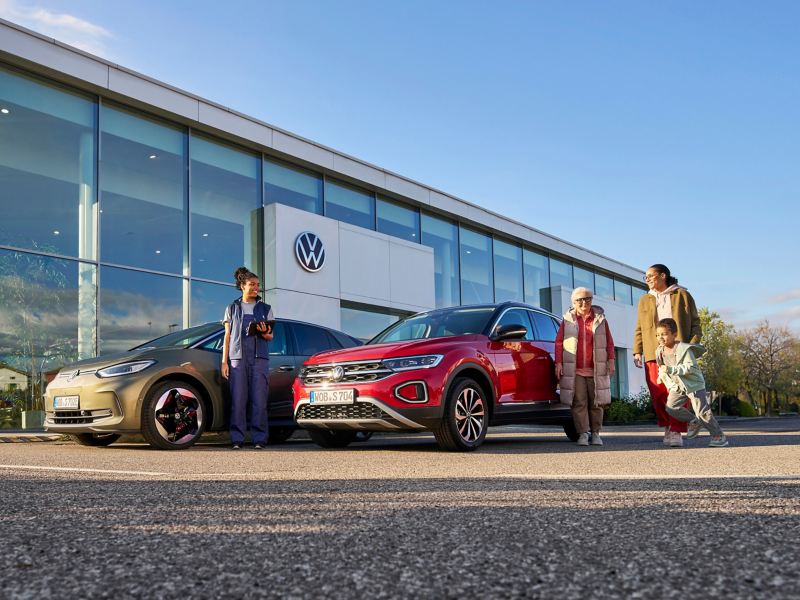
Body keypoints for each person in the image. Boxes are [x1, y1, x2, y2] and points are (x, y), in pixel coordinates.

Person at [633, 263, 701, 447]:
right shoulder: (645, 300)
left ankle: (676, 430)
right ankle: (668, 425)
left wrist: (692, 347)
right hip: (652, 351)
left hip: (678, 351)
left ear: (663, 276)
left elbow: (695, 322)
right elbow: (640, 326)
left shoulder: (682, 295)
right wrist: (637, 351)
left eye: (650, 276)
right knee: (658, 393)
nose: (647, 280)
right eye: (645, 277)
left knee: (678, 391)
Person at [555, 287, 616, 447]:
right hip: (575, 370)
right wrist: (559, 363)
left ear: (592, 300)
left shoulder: (601, 320)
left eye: (587, 299)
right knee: (579, 402)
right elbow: (559, 342)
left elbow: (609, 342)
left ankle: (596, 434)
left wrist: (611, 360)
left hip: (596, 369)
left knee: (596, 402)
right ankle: (583, 434)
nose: (584, 302)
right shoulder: (567, 320)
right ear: (573, 302)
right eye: (580, 300)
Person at [221, 267, 274, 449]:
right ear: (242, 286)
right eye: (252, 284)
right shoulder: (232, 308)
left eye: (258, 285)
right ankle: (237, 439)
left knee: (259, 401)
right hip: (237, 358)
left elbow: (270, 336)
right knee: (238, 400)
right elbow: (227, 336)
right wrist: (224, 362)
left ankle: (259, 439)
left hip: (259, 359)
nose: (256, 288)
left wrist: (263, 331)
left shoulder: (265, 309)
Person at [655, 318, 728, 447]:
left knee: (702, 412)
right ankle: (694, 421)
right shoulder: (659, 351)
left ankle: (719, 436)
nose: (661, 337)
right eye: (658, 334)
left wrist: (672, 369)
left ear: (674, 334)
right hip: (677, 386)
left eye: (664, 334)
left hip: (693, 384)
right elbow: (661, 366)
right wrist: (661, 375)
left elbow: (691, 368)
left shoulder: (684, 349)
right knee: (671, 407)